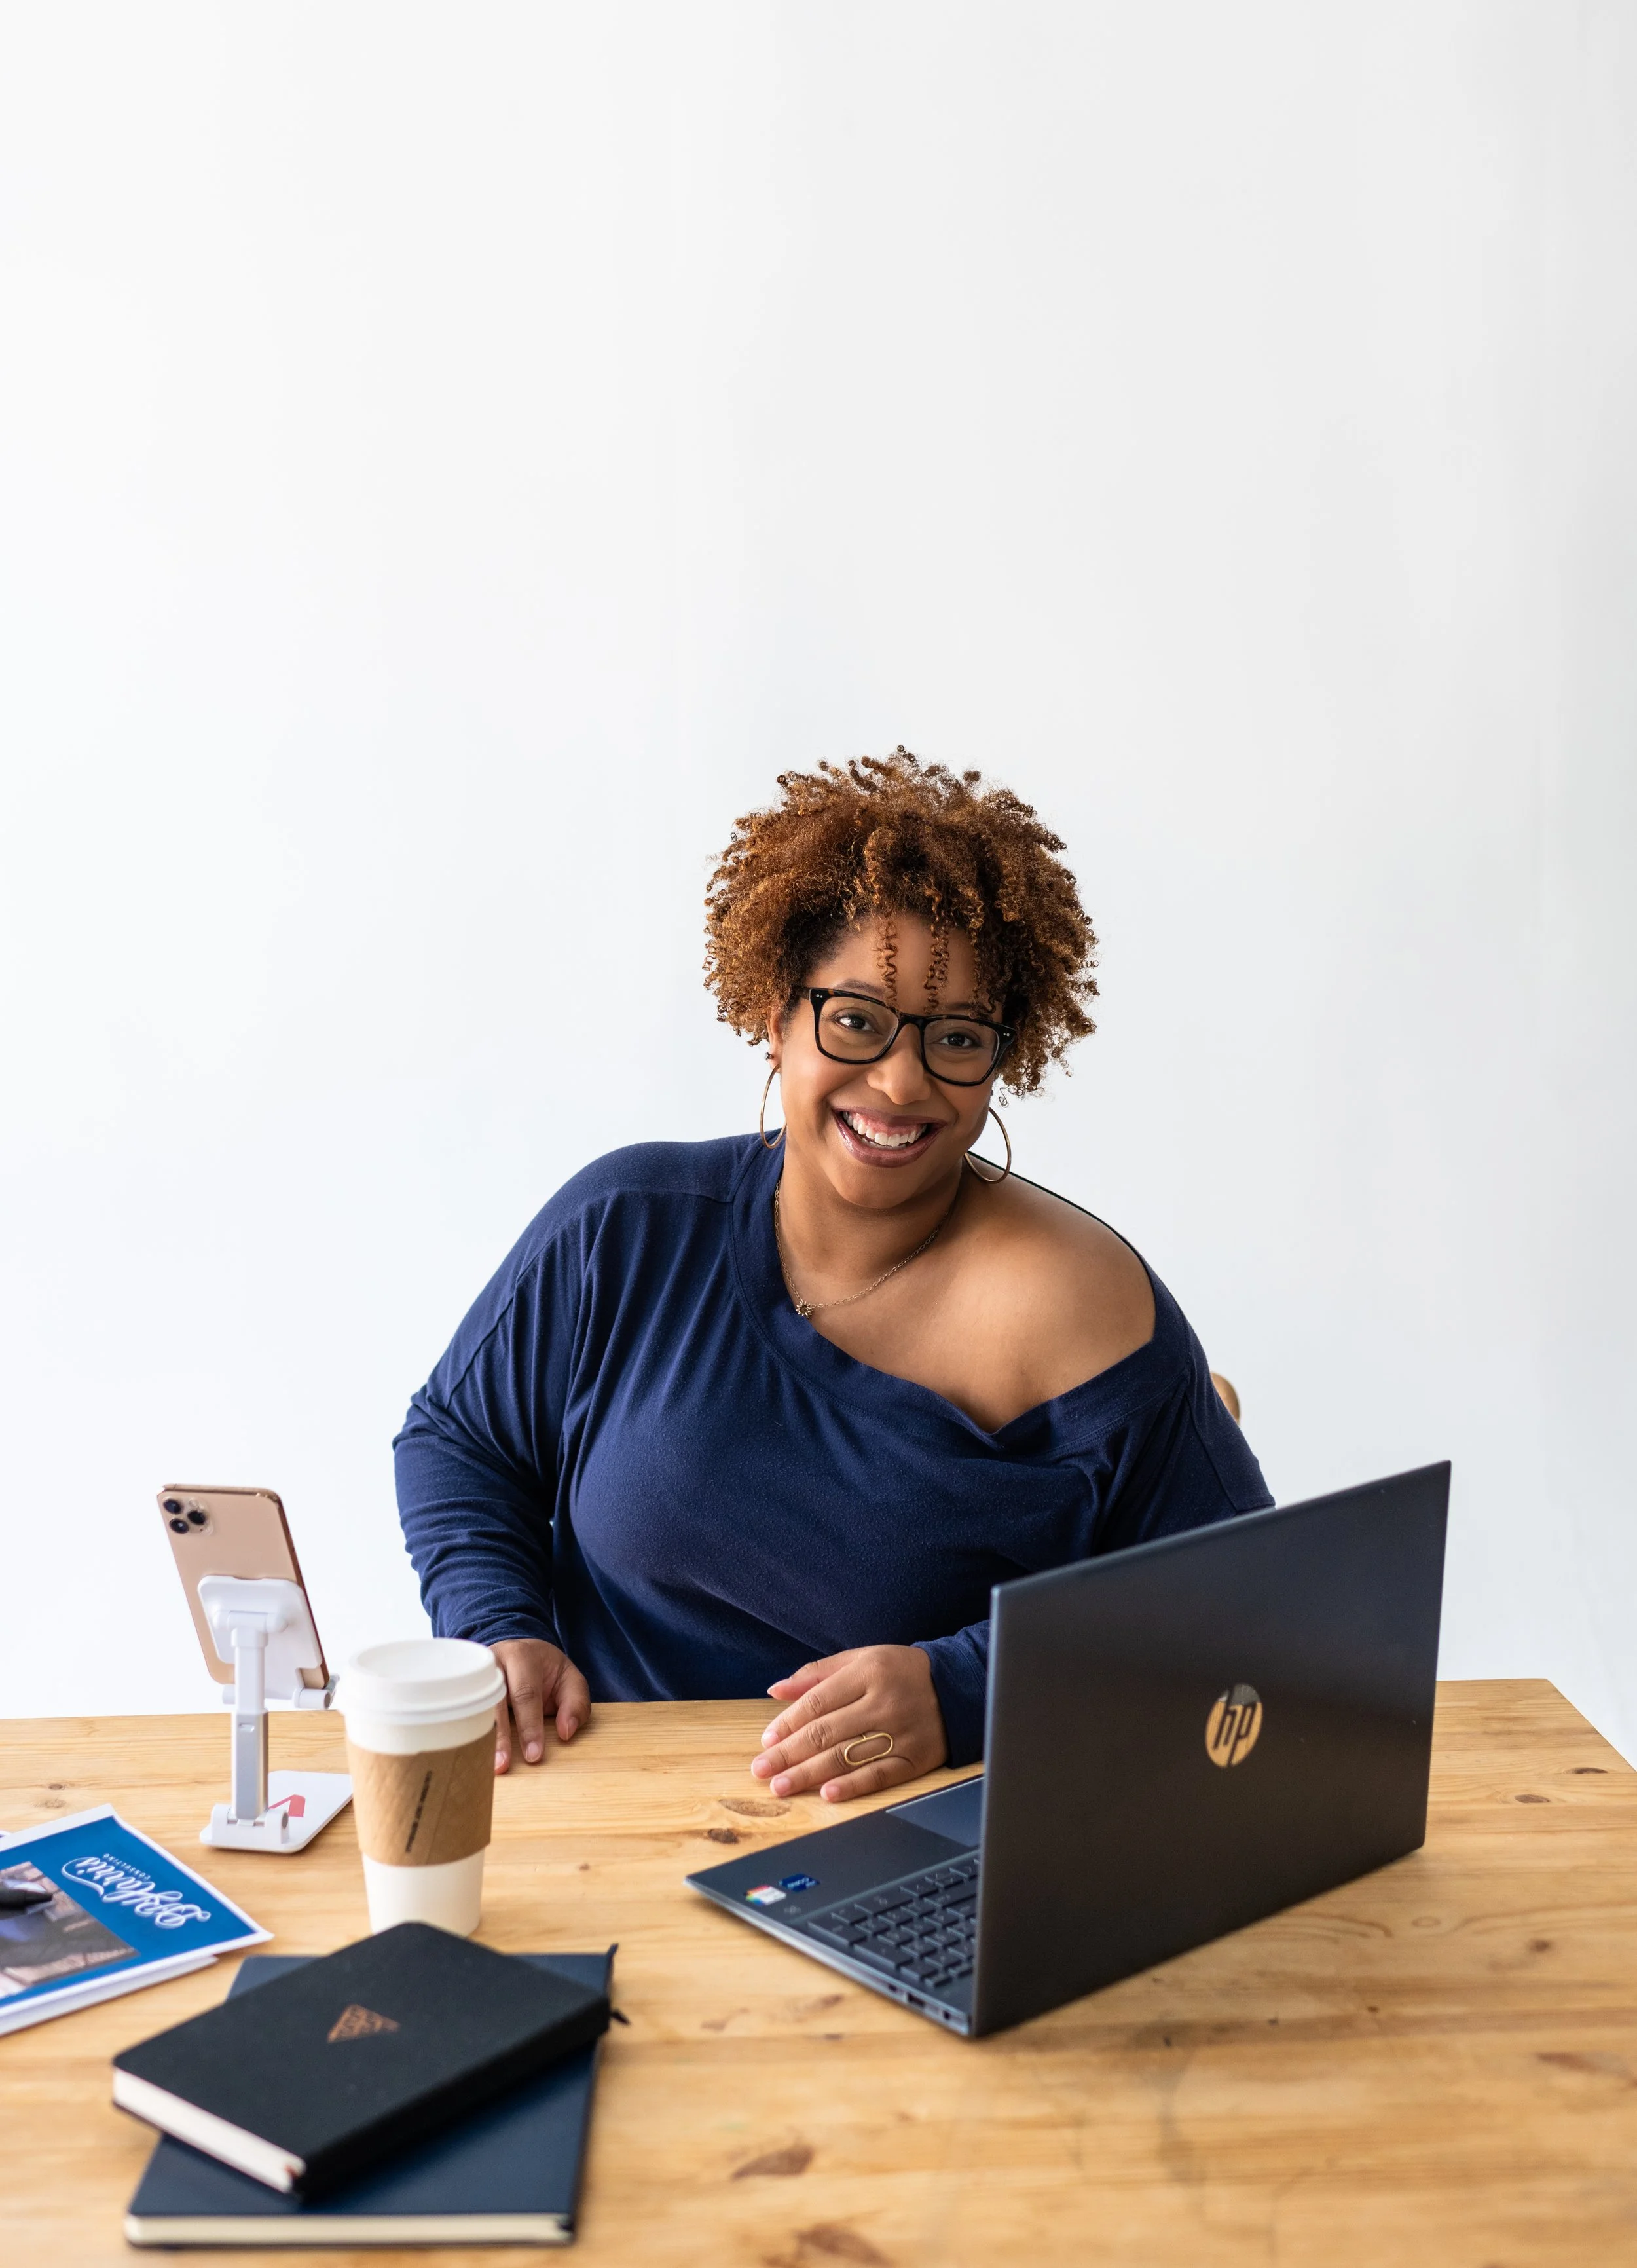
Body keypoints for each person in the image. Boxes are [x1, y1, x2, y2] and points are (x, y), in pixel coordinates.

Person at [394, 750, 1270, 1804]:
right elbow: (460, 1438)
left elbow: (1237, 1616)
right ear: (775, 1015)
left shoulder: (1080, 1305)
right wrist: (498, 1623)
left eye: (955, 1039)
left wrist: (967, 1691)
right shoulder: (623, 1230)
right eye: (855, 1019)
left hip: (910, 1863)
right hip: (596, 1813)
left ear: (1003, 1057)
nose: (901, 1082)